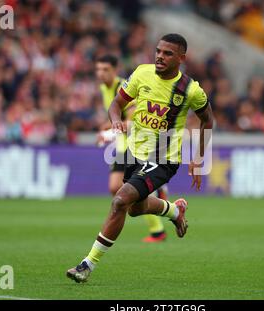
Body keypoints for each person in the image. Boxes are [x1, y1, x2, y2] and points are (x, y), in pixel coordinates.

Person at [67, 33, 213, 283]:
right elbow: (117, 103)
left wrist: (199, 159)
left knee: (119, 201)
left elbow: (207, 120)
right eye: (158, 51)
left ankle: (87, 264)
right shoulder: (141, 73)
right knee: (136, 209)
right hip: (134, 153)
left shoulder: (190, 90)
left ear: (181, 58)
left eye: (168, 53)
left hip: (163, 159)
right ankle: (174, 211)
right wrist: (115, 123)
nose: (160, 56)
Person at [95, 54, 168, 243]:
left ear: (115, 70)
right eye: (98, 69)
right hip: (122, 147)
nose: (101, 74)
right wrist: (106, 125)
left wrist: (107, 133)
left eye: (105, 69)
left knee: (125, 195)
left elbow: (132, 121)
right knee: (117, 190)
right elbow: (117, 117)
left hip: (134, 148)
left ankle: (158, 227)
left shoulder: (123, 87)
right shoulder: (104, 88)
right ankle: (158, 221)